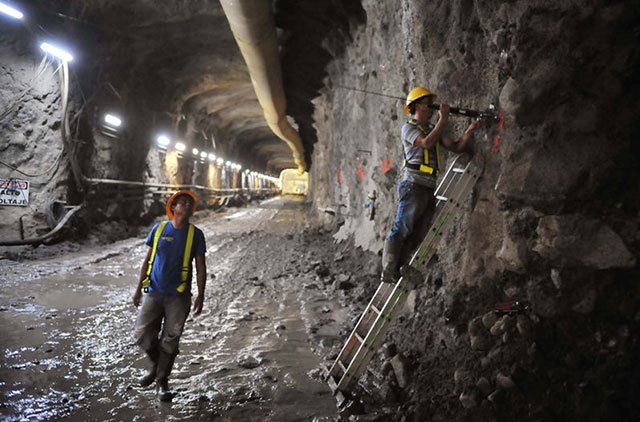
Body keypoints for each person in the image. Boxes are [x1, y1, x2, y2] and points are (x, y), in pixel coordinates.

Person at [381, 87, 480, 283]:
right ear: (417, 105)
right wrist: (443, 120)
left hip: (427, 187)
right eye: (428, 103)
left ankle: (404, 267)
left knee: (419, 232)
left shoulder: (432, 129)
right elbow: (426, 143)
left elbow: (457, 147)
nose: (433, 107)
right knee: (403, 227)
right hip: (413, 185)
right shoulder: (408, 128)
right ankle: (388, 270)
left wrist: (470, 131)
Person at [131, 190, 207, 401]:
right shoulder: (159, 229)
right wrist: (138, 289)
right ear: (173, 207)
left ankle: (162, 382)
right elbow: (147, 261)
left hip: (179, 297)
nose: (186, 205)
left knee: (170, 340)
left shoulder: (195, 234)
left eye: (190, 203)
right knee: (141, 334)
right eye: (182, 202)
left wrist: (201, 295)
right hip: (154, 293)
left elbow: (201, 267)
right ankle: (156, 366)